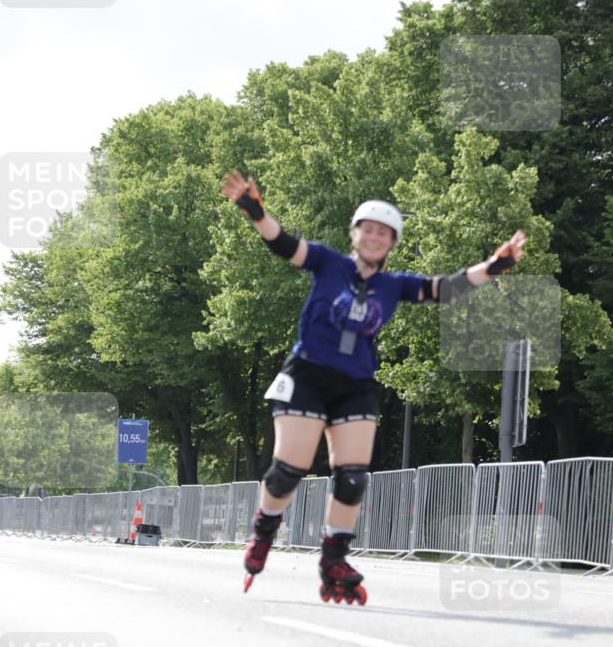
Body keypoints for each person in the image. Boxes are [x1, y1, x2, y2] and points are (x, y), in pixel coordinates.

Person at [220, 169, 526, 604]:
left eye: (385, 232)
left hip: (356, 383)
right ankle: (264, 532)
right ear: (355, 234)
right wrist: (255, 210)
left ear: (392, 242)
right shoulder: (328, 262)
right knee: (289, 471)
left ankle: (333, 559)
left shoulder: (392, 284)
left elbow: (447, 288)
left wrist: (495, 266)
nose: (375, 236)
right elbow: (283, 243)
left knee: (352, 478)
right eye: (368, 229)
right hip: (307, 375)